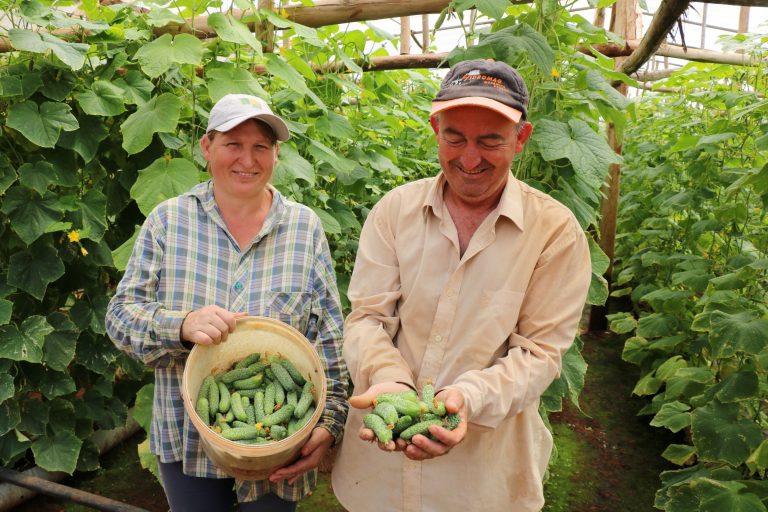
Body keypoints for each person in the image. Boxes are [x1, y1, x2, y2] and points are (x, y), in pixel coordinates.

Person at [331, 60, 592, 511]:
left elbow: (539, 353)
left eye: (490, 141)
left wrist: (468, 399)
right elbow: (367, 318)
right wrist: (389, 378)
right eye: (455, 138)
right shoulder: (395, 211)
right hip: (377, 477)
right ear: (436, 130)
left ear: (521, 138)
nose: (470, 159)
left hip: (481, 483)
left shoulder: (554, 232)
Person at [105, 94, 349, 511]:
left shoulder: (304, 228)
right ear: (207, 146)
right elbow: (120, 317)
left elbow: (328, 336)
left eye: (261, 147)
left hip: (280, 447)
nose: (247, 160)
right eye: (233, 144)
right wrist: (180, 326)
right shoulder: (168, 221)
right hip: (187, 438)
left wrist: (330, 421)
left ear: (276, 153)